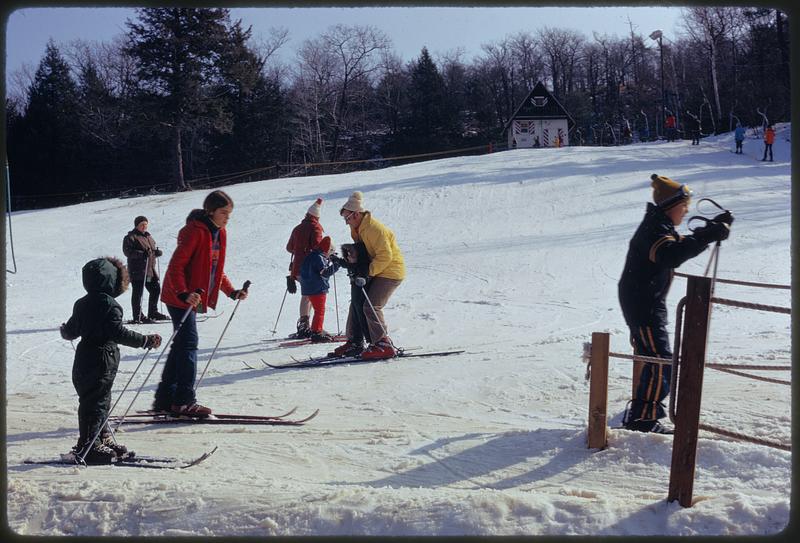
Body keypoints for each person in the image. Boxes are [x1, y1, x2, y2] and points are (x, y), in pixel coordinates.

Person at [618, 174, 733, 433]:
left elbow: (678, 245)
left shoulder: (659, 225)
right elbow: (671, 255)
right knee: (661, 360)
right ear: (672, 206)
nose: (687, 211)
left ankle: (643, 412)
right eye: (684, 206)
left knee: (656, 357)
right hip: (643, 303)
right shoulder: (655, 229)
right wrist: (707, 236)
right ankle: (643, 419)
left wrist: (709, 231)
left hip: (645, 300)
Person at [153, 190, 248, 416]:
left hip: (191, 295)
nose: (227, 217)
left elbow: (215, 269)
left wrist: (231, 292)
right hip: (179, 295)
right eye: (223, 212)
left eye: (229, 214)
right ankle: (184, 401)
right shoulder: (194, 232)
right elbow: (175, 267)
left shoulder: (219, 233)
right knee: (188, 344)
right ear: (210, 211)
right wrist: (184, 293)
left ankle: (167, 398)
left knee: (182, 345)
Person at [60, 257, 162, 463]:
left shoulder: (81, 303)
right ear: (112, 280)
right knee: (96, 402)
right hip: (102, 358)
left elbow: (72, 330)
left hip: (84, 357)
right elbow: (117, 332)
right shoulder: (110, 305)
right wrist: (144, 340)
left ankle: (102, 438)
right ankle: (89, 445)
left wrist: (65, 331)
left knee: (98, 400)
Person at [331, 191, 405, 360]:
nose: (346, 222)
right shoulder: (358, 229)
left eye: (347, 218)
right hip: (376, 270)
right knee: (356, 303)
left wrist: (366, 273)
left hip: (390, 272)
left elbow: (386, 256)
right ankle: (354, 341)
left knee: (371, 305)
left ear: (356, 214)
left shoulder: (373, 229)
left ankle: (383, 344)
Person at [286, 198, 325, 338]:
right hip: (310, 268)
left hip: (297, 269)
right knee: (310, 296)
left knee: (307, 295)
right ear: (316, 216)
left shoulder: (297, 228)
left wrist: (299, 252)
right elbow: (319, 248)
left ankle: (304, 325)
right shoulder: (316, 228)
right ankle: (311, 327)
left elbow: (289, 248)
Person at [122, 216, 168, 323]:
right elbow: (127, 252)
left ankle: (153, 312)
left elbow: (151, 251)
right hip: (137, 270)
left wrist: (156, 253)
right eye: (142, 225)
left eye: (146, 224)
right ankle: (138, 316)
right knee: (138, 292)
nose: (144, 227)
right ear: (137, 225)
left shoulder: (148, 237)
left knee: (155, 289)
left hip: (149, 270)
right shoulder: (131, 237)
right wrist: (142, 254)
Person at [330, 241, 372, 356]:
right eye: (347, 254)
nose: (349, 257)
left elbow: (364, 272)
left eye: (351, 254)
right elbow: (345, 264)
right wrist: (336, 259)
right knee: (356, 316)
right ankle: (357, 342)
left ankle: (370, 342)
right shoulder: (352, 264)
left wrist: (362, 278)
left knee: (361, 315)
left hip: (361, 295)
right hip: (355, 297)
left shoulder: (362, 264)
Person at [298, 236, 341, 342]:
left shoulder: (312, 255)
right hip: (317, 288)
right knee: (320, 310)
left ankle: (316, 329)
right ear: (327, 250)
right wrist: (336, 265)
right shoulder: (319, 258)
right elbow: (325, 272)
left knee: (318, 309)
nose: (329, 256)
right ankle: (316, 332)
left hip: (308, 287)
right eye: (330, 253)